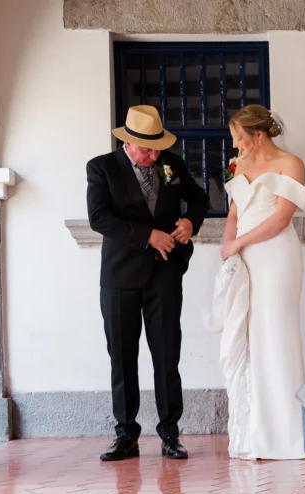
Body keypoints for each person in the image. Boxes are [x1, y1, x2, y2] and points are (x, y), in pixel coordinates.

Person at [86, 105, 207, 462]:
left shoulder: (172, 164)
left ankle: (171, 434)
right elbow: (99, 218)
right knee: (122, 358)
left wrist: (190, 222)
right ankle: (126, 435)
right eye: (147, 150)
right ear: (128, 142)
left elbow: (199, 198)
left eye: (157, 149)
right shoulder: (101, 168)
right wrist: (147, 235)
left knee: (167, 355)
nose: (154, 156)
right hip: (119, 277)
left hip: (165, 274)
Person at [219, 104, 305, 461]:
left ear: (258, 135)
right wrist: (229, 246)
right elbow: (233, 214)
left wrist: (240, 242)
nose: (236, 146)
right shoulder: (240, 166)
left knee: (275, 332)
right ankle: (254, 432)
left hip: (276, 257)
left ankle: (286, 434)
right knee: (248, 335)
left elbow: (282, 218)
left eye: (239, 138)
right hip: (244, 257)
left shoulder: (291, 164)